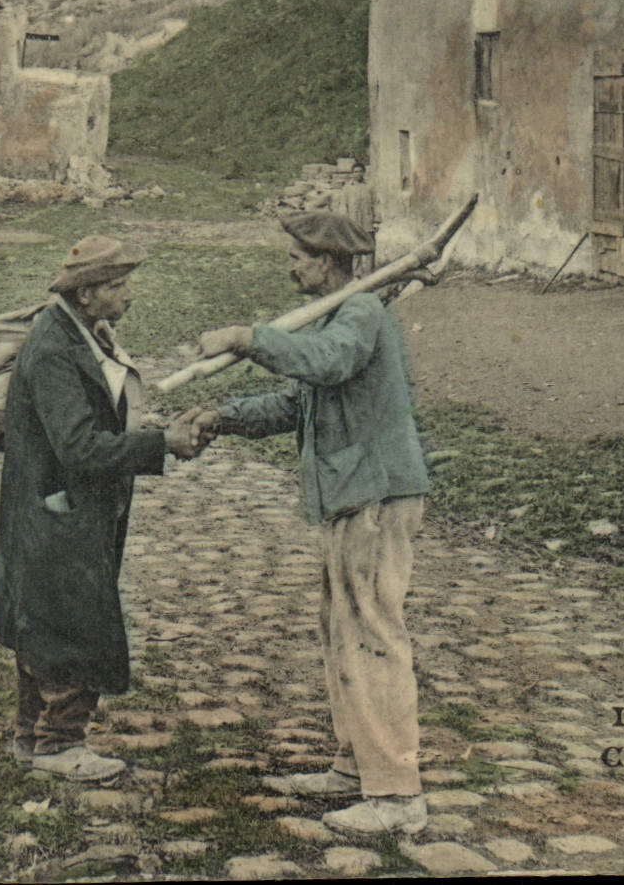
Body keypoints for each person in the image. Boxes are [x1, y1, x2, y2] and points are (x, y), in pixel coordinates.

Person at [195, 211, 430, 834]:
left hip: (375, 496)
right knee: (342, 633)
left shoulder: (360, 317)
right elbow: (298, 401)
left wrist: (250, 337)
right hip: (347, 497)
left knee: (374, 634)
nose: (291, 265)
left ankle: (399, 795)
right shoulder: (333, 316)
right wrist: (223, 417)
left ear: (328, 262)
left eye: (298, 256)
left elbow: (324, 363)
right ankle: (356, 768)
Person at [0, 235, 208, 782]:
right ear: (85, 294)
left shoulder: (77, 332)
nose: (130, 295)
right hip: (57, 511)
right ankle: (60, 743)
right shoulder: (57, 352)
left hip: (56, 508)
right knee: (71, 622)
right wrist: (161, 444)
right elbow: (80, 448)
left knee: (44, 619)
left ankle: (31, 737)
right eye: (118, 285)